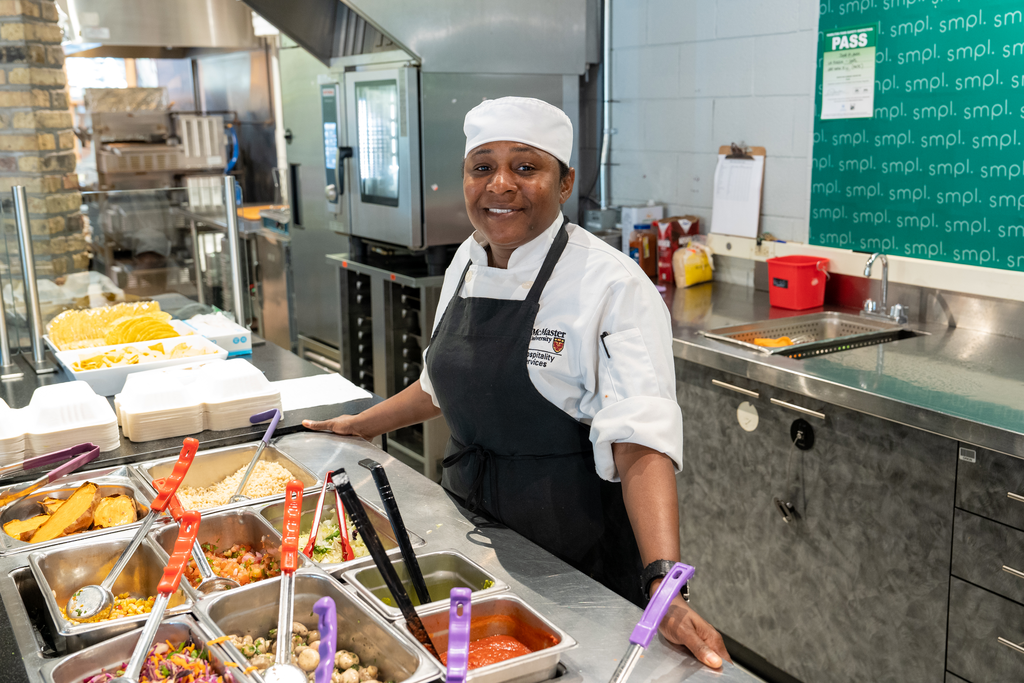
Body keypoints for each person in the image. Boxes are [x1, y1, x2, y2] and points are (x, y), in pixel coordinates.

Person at [304, 96, 730, 668]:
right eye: (482, 167)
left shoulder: (610, 284)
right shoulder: (467, 261)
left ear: (564, 182)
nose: (500, 184)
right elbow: (439, 383)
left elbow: (639, 441)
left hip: (572, 550)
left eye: (526, 167)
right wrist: (359, 424)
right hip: (470, 528)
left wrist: (663, 580)